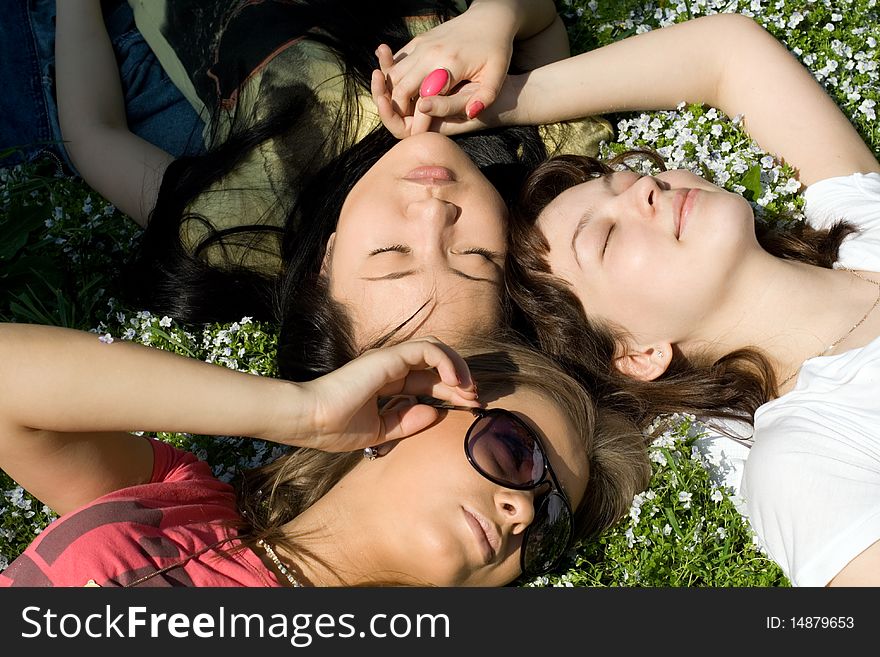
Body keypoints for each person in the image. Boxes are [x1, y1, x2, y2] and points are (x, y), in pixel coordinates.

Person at [384, 13, 880, 586]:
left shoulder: (859, 221)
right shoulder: (804, 457)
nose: (648, 188)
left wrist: (486, 102)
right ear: (638, 354)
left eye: (635, 182)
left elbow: (725, 54)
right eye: (608, 237)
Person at [49, 0, 613, 365]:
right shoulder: (536, 156)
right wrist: (494, 21)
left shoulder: (244, 223)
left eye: (393, 252)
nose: (434, 213)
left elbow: (92, 136)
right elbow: (541, 18)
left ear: (325, 263)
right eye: (475, 255)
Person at [0, 322, 651, 587]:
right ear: (409, 414)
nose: (519, 511)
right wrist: (301, 412)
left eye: (548, 523)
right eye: (514, 451)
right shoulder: (182, 502)